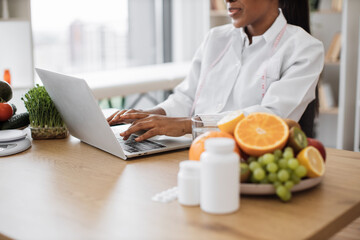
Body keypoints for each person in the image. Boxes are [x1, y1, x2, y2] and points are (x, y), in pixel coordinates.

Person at [107, 0, 324, 141]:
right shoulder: (215, 38)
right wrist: (153, 114)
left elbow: (270, 116)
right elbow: (187, 96)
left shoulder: (305, 49)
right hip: (189, 152)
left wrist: (188, 125)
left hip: (244, 160)